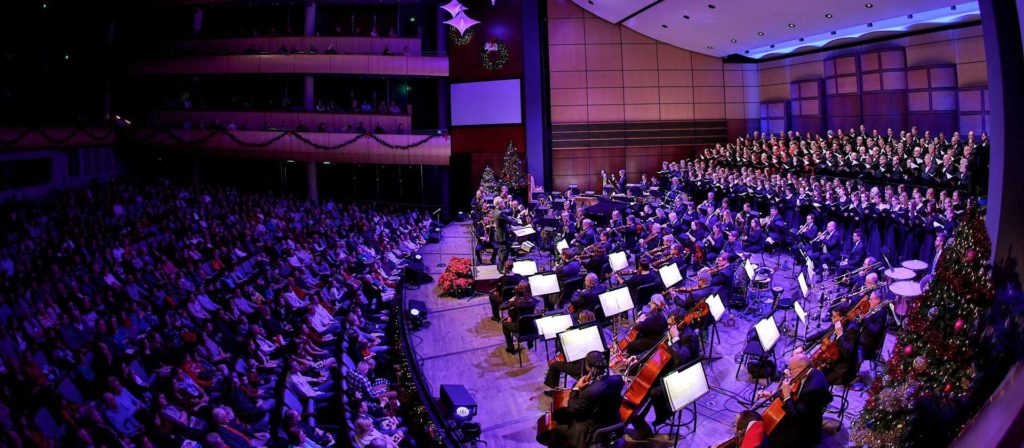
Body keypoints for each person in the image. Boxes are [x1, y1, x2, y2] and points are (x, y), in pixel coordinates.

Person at [548, 351, 625, 448]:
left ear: (588, 368)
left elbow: (572, 409)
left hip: (592, 433)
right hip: (613, 424)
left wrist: (576, 388)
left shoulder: (587, 393)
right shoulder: (618, 380)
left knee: (555, 429)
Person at [765, 352, 830, 448]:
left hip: (805, 430)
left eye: (791, 369)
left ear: (801, 369)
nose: (789, 372)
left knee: (771, 441)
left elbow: (796, 417)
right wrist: (772, 395)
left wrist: (787, 396)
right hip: (805, 415)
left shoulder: (811, 390)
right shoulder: (814, 372)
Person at [501, 280, 538, 354]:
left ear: (519, 290)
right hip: (532, 328)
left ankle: (510, 348)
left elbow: (502, 308)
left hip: (520, 328)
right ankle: (530, 343)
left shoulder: (515, 302)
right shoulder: (534, 300)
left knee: (504, 324)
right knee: (527, 318)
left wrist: (511, 301)